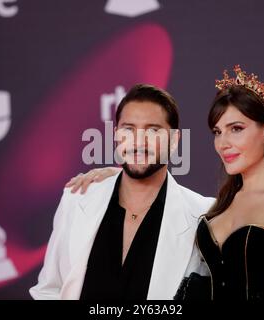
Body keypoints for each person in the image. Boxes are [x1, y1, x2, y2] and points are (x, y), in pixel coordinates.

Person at [69, 66, 264, 300]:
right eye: (218, 132)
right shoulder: (218, 206)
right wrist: (116, 176)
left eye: (236, 129)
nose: (224, 143)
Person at [29, 84, 215, 300]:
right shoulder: (77, 197)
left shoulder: (203, 215)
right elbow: (48, 290)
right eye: (129, 129)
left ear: (174, 140)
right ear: (116, 135)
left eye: (153, 130)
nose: (138, 141)